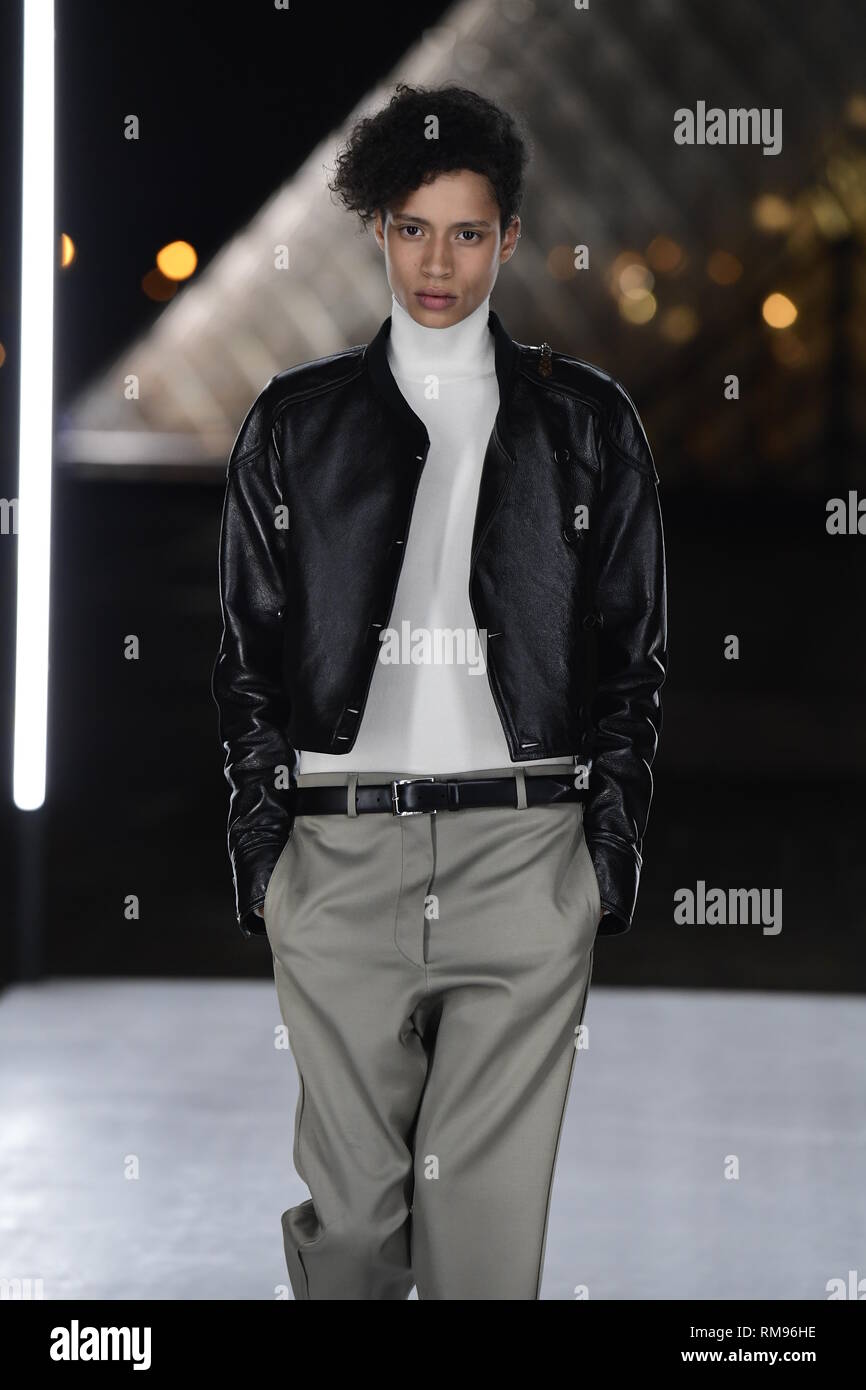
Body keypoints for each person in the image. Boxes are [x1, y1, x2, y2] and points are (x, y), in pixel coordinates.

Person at [211, 82, 667, 1299]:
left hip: (524, 852)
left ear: (508, 238)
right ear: (375, 228)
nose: (437, 260)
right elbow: (247, 653)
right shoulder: (294, 425)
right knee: (355, 1231)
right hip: (339, 856)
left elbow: (630, 656)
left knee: (481, 1249)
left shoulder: (585, 424)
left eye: (466, 232)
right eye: (413, 227)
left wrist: (600, 853)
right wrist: (267, 845)